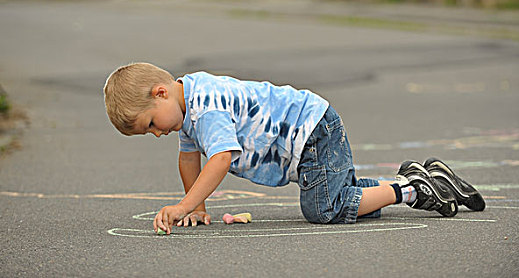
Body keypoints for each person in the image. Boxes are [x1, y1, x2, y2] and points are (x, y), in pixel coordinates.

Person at [103, 62, 485, 234]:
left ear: (161, 92)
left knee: (323, 208)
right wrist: (197, 207)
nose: (156, 133)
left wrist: (183, 206)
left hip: (311, 131)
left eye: (150, 124)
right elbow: (189, 158)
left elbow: (219, 158)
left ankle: (412, 189)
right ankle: (421, 180)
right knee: (340, 196)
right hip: (308, 131)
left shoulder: (205, 109)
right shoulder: (186, 105)